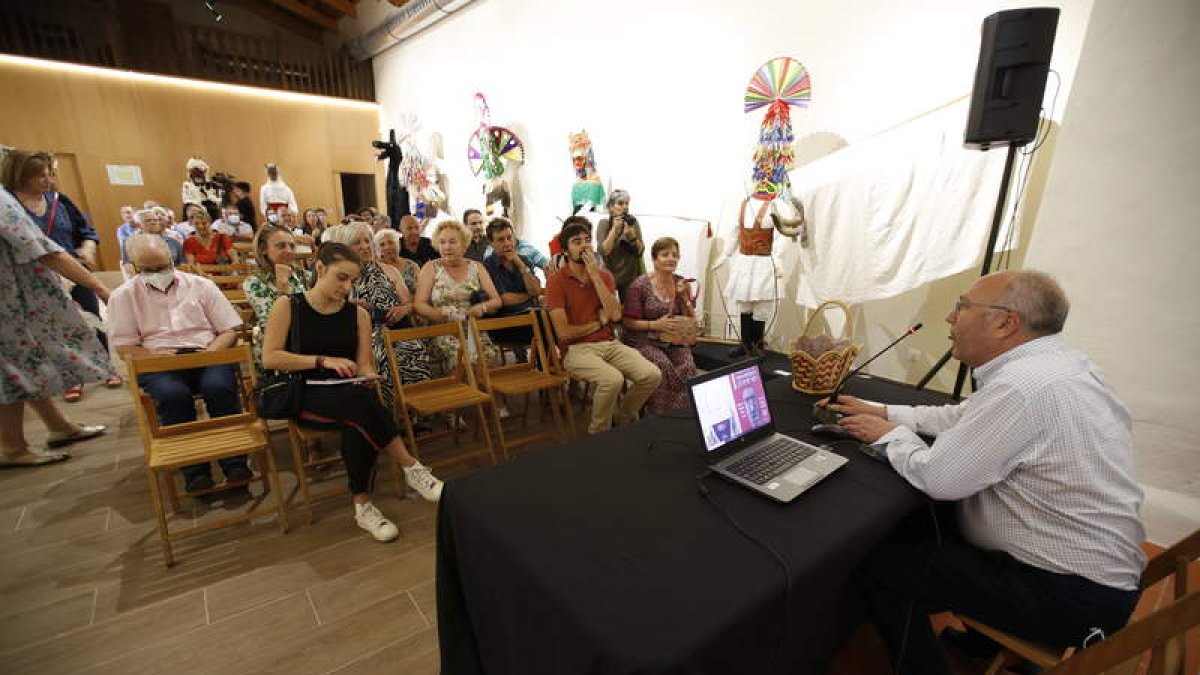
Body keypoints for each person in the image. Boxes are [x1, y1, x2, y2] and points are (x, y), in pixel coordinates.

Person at [825, 270, 1146, 675]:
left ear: (1005, 322)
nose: (950, 318)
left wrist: (889, 435)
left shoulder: (1022, 387)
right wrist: (886, 411)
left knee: (886, 569)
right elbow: (966, 417)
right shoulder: (1059, 366)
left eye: (962, 307)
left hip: (1071, 595)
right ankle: (984, 644)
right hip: (1097, 575)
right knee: (929, 528)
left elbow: (939, 480)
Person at [261, 242, 443, 542]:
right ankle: (410, 467)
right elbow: (271, 357)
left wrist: (370, 375)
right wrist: (321, 361)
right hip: (303, 393)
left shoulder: (356, 315)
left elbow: (364, 365)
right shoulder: (289, 305)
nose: (347, 288)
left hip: (346, 398)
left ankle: (365, 507)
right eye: (341, 278)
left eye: (352, 281)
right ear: (320, 269)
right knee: (361, 406)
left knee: (358, 411)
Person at [108, 234, 251, 493]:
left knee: (219, 389)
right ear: (135, 267)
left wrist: (209, 354)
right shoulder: (124, 296)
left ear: (172, 260)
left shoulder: (200, 285)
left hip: (206, 352)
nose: (157, 273)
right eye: (148, 269)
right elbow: (125, 346)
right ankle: (195, 471)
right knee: (173, 397)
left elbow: (229, 329)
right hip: (158, 360)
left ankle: (235, 462)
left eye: (162, 267)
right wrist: (159, 359)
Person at [0, 188, 111, 466]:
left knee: (28, 364)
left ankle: (57, 425)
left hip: (15, 296)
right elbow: (40, 246)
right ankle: (13, 447)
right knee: (13, 368)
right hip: (8, 300)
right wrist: (98, 286)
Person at [2, 149, 122, 400]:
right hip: (38, 278)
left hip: (73, 269)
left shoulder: (59, 200)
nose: (48, 181)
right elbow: (42, 251)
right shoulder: (9, 203)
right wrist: (101, 286)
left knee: (90, 320)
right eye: (41, 176)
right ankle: (72, 377)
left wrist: (88, 248)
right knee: (54, 329)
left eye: (50, 175)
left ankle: (105, 367)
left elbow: (86, 231)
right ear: (20, 176)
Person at [545, 217, 661, 434]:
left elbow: (616, 314)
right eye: (576, 241)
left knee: (651, 374)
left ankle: (623, 416)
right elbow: (563, 332)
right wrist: (598, 322)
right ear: (566, 250)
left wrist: (595, 277)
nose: (584, 245)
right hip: (577, 350)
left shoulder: (605, 276)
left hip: (609, 343)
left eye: (587, 240)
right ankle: (598, 433)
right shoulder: (556, 281)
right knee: (612, 379)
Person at [326, 222, 433, 411]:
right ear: (346, 248)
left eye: (367, 240)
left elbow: (409, 303)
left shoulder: (389, 270)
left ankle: (416, 412)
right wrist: (350, 307)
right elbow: (331, 311)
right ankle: (387, 414)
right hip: (363, 336)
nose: (365, 246)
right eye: (357, 243)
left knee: (413, 348)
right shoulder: (343, 277)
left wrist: (403, 309)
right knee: (379, 355)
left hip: (397, 329)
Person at [621, 237, 698, 415]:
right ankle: (659, 415)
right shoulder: (640, 285)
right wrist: (655, 324)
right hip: (642, 340)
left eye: (675, 255)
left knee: (688, 366)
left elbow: (691, 319)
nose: (671, 258)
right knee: (663, 367)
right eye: (665, 254)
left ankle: (681, 413)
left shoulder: (681, 283)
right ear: (654, 259)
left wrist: (684, 298)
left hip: (673, 339)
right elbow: (627, 322)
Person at [414, 220, 502, 367]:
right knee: (463, 360)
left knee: (490, 358)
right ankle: (465, 390)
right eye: (442, 242)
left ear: (464, 245)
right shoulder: (431, 268)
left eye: (452, 242)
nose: (447, 247)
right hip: (443, 331)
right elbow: (419, 304)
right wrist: (436, 314)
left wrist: (482, 308)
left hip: (473, 330)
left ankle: (485, 390)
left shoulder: (477, 267)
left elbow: (496, 301)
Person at [243, 225, 310, 375]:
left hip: (307, 339)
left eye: (292, 246)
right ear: (263, 250)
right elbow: (274, 322)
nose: (288, 250)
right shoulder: (253, 282)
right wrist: (282, 285)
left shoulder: (304, 276)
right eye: (281, 246)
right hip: (275, 350)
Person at [482, 216, 542, 349]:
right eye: (501, 240)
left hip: (531, 317)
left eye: (510, 237)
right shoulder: (487, 266)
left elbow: (536, 290)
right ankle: (546, 364)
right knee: (544, 322)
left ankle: (547, 364)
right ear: (492, 243)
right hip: (505, 322)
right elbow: (504, 300)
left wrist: (520, 265)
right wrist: (529, 295)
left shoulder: (524, 260)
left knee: (548, 318)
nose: (507, 243)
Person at [595, 189, 645, 300]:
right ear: (611, 207)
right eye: (620, 203)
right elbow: (603, 251)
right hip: (610, 274)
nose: (625, 207)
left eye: (627, 203)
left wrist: (632, 237)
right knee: (611, 310)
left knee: (629, 311)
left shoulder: (632, 222)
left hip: (630, 275)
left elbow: (640, 251)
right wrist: (614, 230)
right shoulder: (604, 224)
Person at [121, 208, 184, 278]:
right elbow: (128, 265)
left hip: (172, 277)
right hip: (143, 279)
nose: (153, 222)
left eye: (155, 220)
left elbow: (182, 265)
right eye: (148, 221)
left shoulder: (173, 242)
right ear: (138, 225)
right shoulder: (129, 243)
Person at [375, 228, 420, 297]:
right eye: (382, 245)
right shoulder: (376, 269)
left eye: (390, 242)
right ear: (378, 250)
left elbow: (422, 291)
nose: (387, 247)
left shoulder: (412, 266)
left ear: (398, 244)